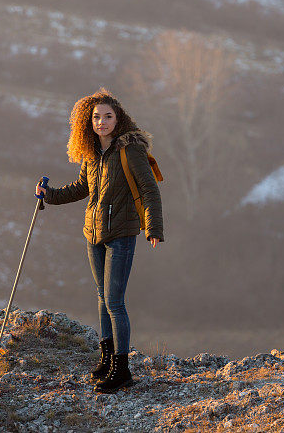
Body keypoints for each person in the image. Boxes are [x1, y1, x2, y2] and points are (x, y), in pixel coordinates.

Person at [35, 87, 164, 393]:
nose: (102, 122)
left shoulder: (129, 149)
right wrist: (49, 196)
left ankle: (122, 370)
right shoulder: (92, 152)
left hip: (121, 235)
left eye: (108, 116)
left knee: (116, 303)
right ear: (88, 121)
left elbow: (149, 189)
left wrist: (153, 228)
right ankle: (106, 361)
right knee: (102, 299)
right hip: (93, 234)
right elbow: (81, 187)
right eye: (96, 117)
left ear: (118, 119)